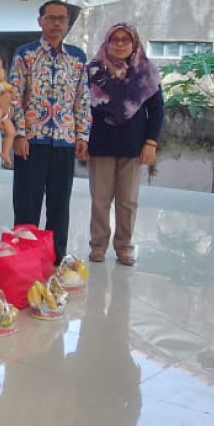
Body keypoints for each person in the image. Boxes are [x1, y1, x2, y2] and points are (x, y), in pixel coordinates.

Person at [10, 0, 92, 265]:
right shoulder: (25, 54)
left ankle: (55, 257)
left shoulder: (77, 57)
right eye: (51, 18)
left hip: (65, 142)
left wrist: (82, 136)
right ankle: (24, 256)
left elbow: (82, 99)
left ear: (68, 22)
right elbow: (15, 97)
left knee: (60, 203)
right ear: (40, 21)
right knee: (27, 202)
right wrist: (19, 134)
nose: (56, 24)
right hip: (32, 140)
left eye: (62, 19)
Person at [86, 23, 164, 266]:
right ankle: (98, 245)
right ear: (107, 43)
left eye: (125, 40)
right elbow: (81, 107)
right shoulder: (93, 70)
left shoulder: (146, 72)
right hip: (100, 143)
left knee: (127, 200)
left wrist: (151, 142)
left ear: (134, 43)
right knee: (100, 199)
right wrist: (81, 138)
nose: (119, 44)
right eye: (114, 39)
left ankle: (124, 247)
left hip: (133, 145)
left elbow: (157, 109)